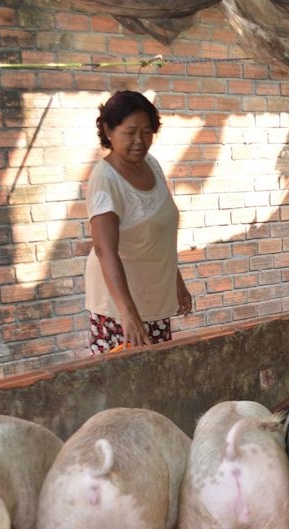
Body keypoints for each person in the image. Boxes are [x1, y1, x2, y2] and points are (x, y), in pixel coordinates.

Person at [84, 90, 192, 354]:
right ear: (108, 130)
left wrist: (176, 281)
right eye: (130, 132)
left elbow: (159, 233)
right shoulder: (106, 179)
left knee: (159, 371)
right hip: (120, 309)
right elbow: (105, 250)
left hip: (153, 298)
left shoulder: (151, 164)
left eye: (146, 132)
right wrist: (128, 313)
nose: (139, 141)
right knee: (127, 376)